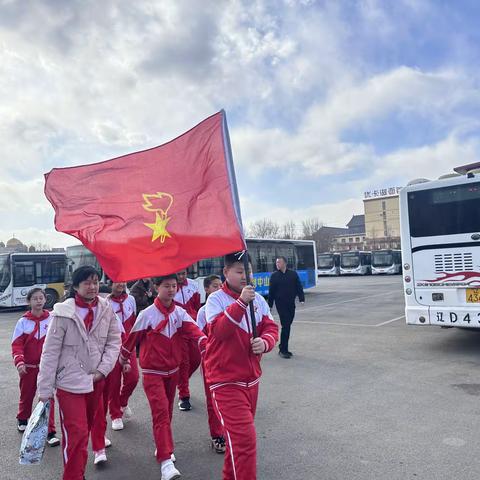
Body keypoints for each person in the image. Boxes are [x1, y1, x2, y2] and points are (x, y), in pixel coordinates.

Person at [119, 274, 207, 480]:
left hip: (173, 372)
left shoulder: (180, 313)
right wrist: (122, 361)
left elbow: (195, 331)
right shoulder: (147, 314)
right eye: (166, 286)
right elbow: (131, 340)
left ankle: (162, 447)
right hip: (152, 373)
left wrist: (206, 343)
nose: (171, 290)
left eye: (174, 286)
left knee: (167, 412)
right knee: (160, 413)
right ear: (156, 287)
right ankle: (166, 462)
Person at [37, 266, 121, 480]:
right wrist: (44, 391)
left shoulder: (105, 308)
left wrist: (103, 370)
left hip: (96, 381)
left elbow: (114, 341)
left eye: (95, 281)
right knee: (77, 434)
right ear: (75, 286)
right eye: (87, 283)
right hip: (69, 384)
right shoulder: (63, 313)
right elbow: (50, 353)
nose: (93, 287)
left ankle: (77, 472)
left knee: (85, 432)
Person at [204, 253, 279, 480]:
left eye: (248, 271)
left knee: (237, 444)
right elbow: (219, 331)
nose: (246, 276)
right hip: (225, 381)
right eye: (239, 271)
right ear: (226, 273)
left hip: (252, 380)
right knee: (245, 442)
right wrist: (240, 303)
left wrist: (265, 342)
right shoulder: (215, 300)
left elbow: (271, 328)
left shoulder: (259, 299)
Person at [11, 288, 60, 446]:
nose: (38, 301)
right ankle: (23, 418)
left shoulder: (52, 318)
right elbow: (16, 345)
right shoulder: (23, 322)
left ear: (45, 300)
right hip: (28, 367)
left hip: (47, 368)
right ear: (29, 301)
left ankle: (50, 431)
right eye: (35, 298)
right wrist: (19, 361)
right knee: (27, 395)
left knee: (48, 398)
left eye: (41, 298)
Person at [196, 274, 225, 454]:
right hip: (211, 363)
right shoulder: (203, 311)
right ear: (206, 290)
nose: (219, 289)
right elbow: (199, 337)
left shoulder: (228, 307)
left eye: (220, 285)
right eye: (215, 286)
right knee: (212, 400)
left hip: (230, 363)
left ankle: (229, 432)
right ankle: (216, 435)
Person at [106, 281, 139, 430]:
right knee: (113, 383)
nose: (120, 284)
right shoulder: (105, 302)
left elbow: (134, 322)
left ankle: (122, 402)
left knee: (133, 378)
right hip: (111, 345)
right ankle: (115, 415)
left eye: (123, 281)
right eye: (116, 281)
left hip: (129, 344)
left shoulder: (131, 299)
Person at [174, 268, 201, 411]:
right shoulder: (171, 287)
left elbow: (196, 305)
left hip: (193, 327)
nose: (181, 276)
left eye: (184, 273)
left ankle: (181, 382)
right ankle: (184, 396)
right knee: (183, 363)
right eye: (179, 274)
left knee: (196, 359)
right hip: (178, 330)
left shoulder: (193, 285)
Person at [268, 256, 305, 359]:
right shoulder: (274, 276)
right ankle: (283, 350)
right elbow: (271, 291)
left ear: (284, 263)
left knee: (288, 324)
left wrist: (301, 298)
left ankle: (283, 347)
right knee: (286, 325)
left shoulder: (292, 274)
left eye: (279, 262)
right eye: (276, 263)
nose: (277, 264)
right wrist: (270, 305)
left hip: (290, 304)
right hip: (280, 304)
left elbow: (298, 286)